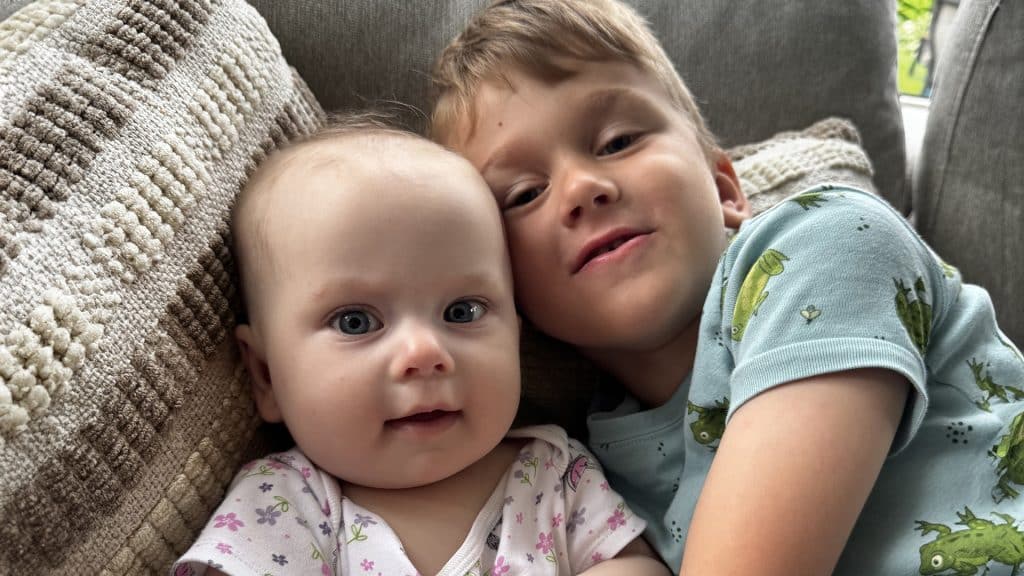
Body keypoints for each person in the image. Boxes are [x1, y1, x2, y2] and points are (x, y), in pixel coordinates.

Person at [429, 1, 1024, 575]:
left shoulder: (825, 240)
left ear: (724, 190)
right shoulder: (578, 472)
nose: (584, 187)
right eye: (524, 194)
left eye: (617, 142)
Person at [171, 114, 669, 576]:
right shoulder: (284, 505)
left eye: (463, 312)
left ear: (515, 338)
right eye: (355, 321)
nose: (424, 353)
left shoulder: (556, 475)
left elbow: (637, 566)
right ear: (266, 376)